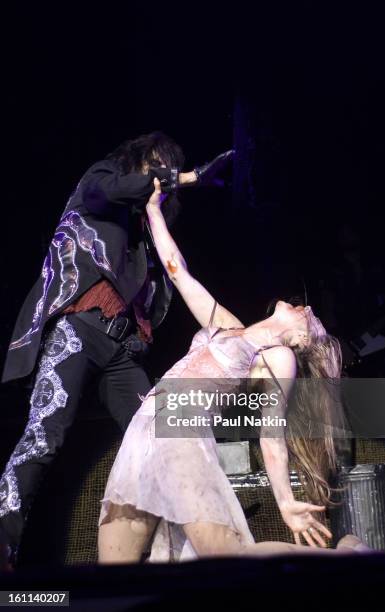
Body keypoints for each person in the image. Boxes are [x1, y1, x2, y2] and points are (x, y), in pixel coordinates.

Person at [98, 179, 367, 563]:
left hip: (181, 431)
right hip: (144, 429)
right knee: (112, 570)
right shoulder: (227, 325)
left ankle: (347, 558)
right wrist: (154, 211)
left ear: (299, 341)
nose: (306, 309)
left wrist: (287, 502)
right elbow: (178, 273)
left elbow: (271, 437)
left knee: (225, 554)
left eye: (312, 319)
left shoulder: (280, 358)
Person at [0, 131, 233, 567]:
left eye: (167, 167)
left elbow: (170, 277)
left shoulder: (146, 233)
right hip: (78, 329)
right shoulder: (100, 182)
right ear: (137, 162)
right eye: (155, 165)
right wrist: (184, 177)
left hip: (123, 352)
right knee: (44, 438)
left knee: (160, 440)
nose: (160, 177)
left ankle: (180, 555)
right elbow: (116, 189)